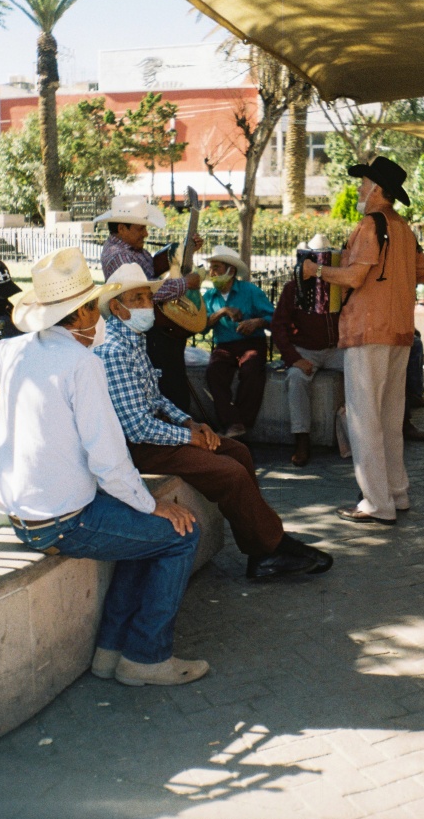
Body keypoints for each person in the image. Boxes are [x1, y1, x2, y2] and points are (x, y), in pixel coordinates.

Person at [0, 247, 208, 688]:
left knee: (146, 537)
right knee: (180, 535)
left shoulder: (20, 349)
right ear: (78, 315)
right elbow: (108, 457)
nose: (100, 316)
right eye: (93, 308)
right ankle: (147, 656)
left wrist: (142, 506)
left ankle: (111, 653)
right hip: (62, 521)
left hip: (29, 514)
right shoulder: (82, 363)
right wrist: (151, 505)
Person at [96, 263, 333, 580]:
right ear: (117, 307)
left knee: (238, 452)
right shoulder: (114, 350)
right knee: (229, 473)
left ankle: (261, 551)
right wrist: (188, 437)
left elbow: (154, 397)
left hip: (155, 434)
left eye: (147, 297)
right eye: (137, 298)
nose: (147, 305)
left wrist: (189, 423)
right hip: (138, 447)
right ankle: (274, 544)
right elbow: (137, 428)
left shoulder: (133, 339)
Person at [302, 156, 424, 525]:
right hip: (400, 331)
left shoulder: (369, 225)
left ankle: (377, 504)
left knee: (365, 419)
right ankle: (397, 493)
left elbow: (354, 278)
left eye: (363, 183)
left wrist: (316, 270)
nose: (359, 189)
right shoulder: (404, 228)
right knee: (390, 419)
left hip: (367, 330)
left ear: (377, 189)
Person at [95, 194, 202, 413]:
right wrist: (185, 284)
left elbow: (149, 275)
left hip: (153, 326)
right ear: (121, 228)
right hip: (145, 328)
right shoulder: (119, 256)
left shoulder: (132, 250)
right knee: (167, 384)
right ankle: (175, 425)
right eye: (140, 228)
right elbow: (143, 290)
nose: (145, 233)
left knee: (171, 380)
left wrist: (185, 251)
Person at [271, 234, 344, 466]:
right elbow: (278, 326)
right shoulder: (293, 288)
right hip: (305, 351)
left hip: (336, 349)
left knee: (362, 368)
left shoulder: (339, 288)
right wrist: (294, 359)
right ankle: (301, 439)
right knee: (296, 379)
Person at [203, 246, 274, 439]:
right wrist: (222, 312)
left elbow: (274, 317)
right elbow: (201, 326)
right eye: (211, 267)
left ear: (231, 271)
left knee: (252, 369)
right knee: (214, 372)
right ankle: (234, 423)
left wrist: (257, 322)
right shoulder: (209, 296)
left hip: (252, 343)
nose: (212, 272)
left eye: (216, 267)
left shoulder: (250, 291)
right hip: (224, 346)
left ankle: (239, 423)